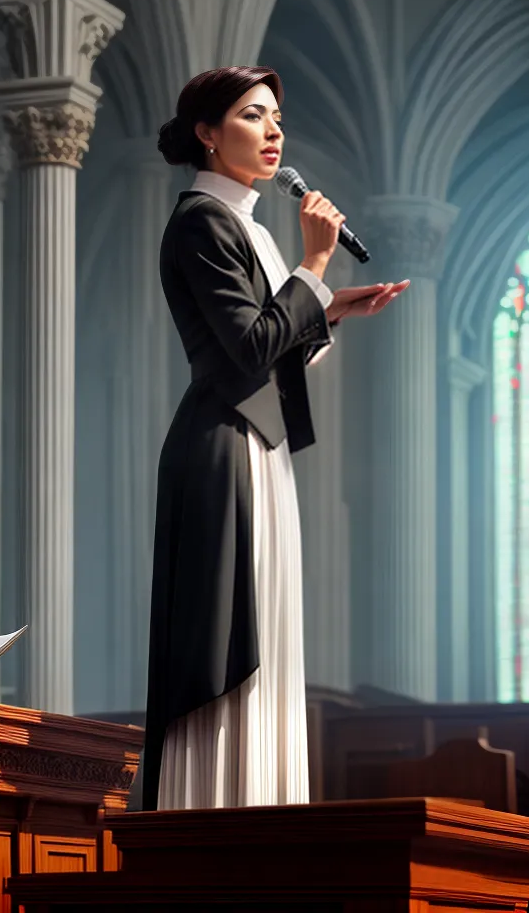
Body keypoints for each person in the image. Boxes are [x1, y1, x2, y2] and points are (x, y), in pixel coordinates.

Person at [141, 66, 408, 812]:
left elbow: (268, 351)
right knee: (227, 649)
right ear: (206, 131)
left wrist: (330, 306)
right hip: (221, 453)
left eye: (277, 118)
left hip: (258, 449)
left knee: (268, 642)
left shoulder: (249, 226)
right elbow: (248, 349)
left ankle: (258, 825)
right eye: (254, 115)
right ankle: (212, 824)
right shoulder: (201, 220)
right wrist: (316, 266)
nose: (274, 131)